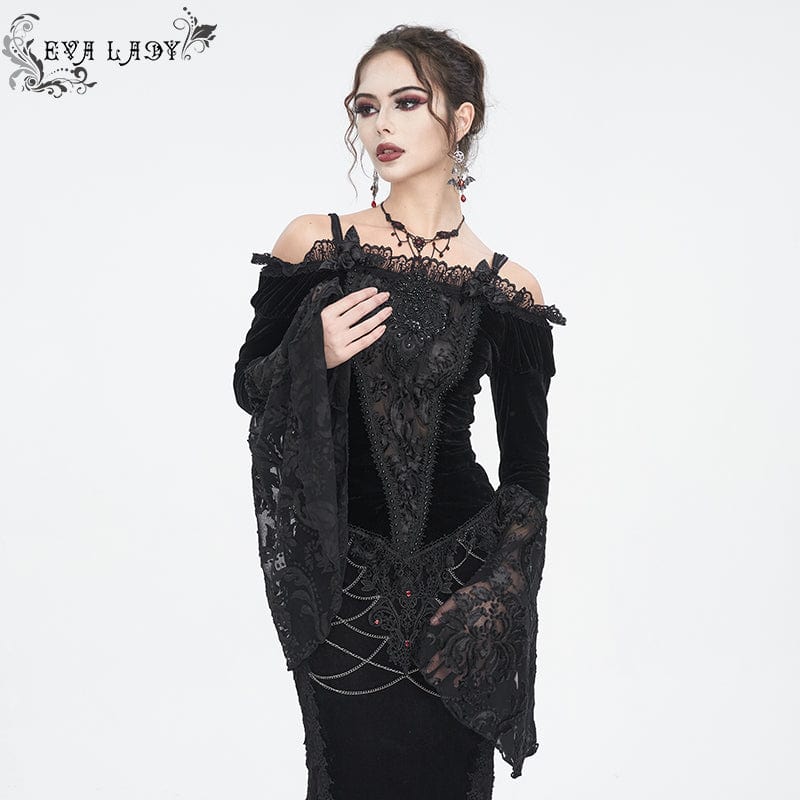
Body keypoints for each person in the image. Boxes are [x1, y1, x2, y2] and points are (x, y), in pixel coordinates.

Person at [233, 23, 566, 800]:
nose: (381, 123)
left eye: (407, 102)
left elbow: (527, 466)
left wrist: (500, 591)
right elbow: (249, 386)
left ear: (462, 118)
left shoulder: (509, 287)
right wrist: (310, 351)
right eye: (366, 106)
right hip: (343, 577)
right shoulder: (319, 242)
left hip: (464, 575)